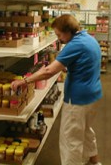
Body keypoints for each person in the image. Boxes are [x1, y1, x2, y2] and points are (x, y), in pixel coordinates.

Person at [11, 14, 103, 165]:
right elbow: (86, 64)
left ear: (68, 31)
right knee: (86, 131)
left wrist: (25, 81)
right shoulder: (89, 39)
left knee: (70, 139)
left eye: (59, 35)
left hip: (78, 99)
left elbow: (49, 72)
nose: (59, 38)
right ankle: (95, 162)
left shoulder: (75, 45)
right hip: (93, 95)